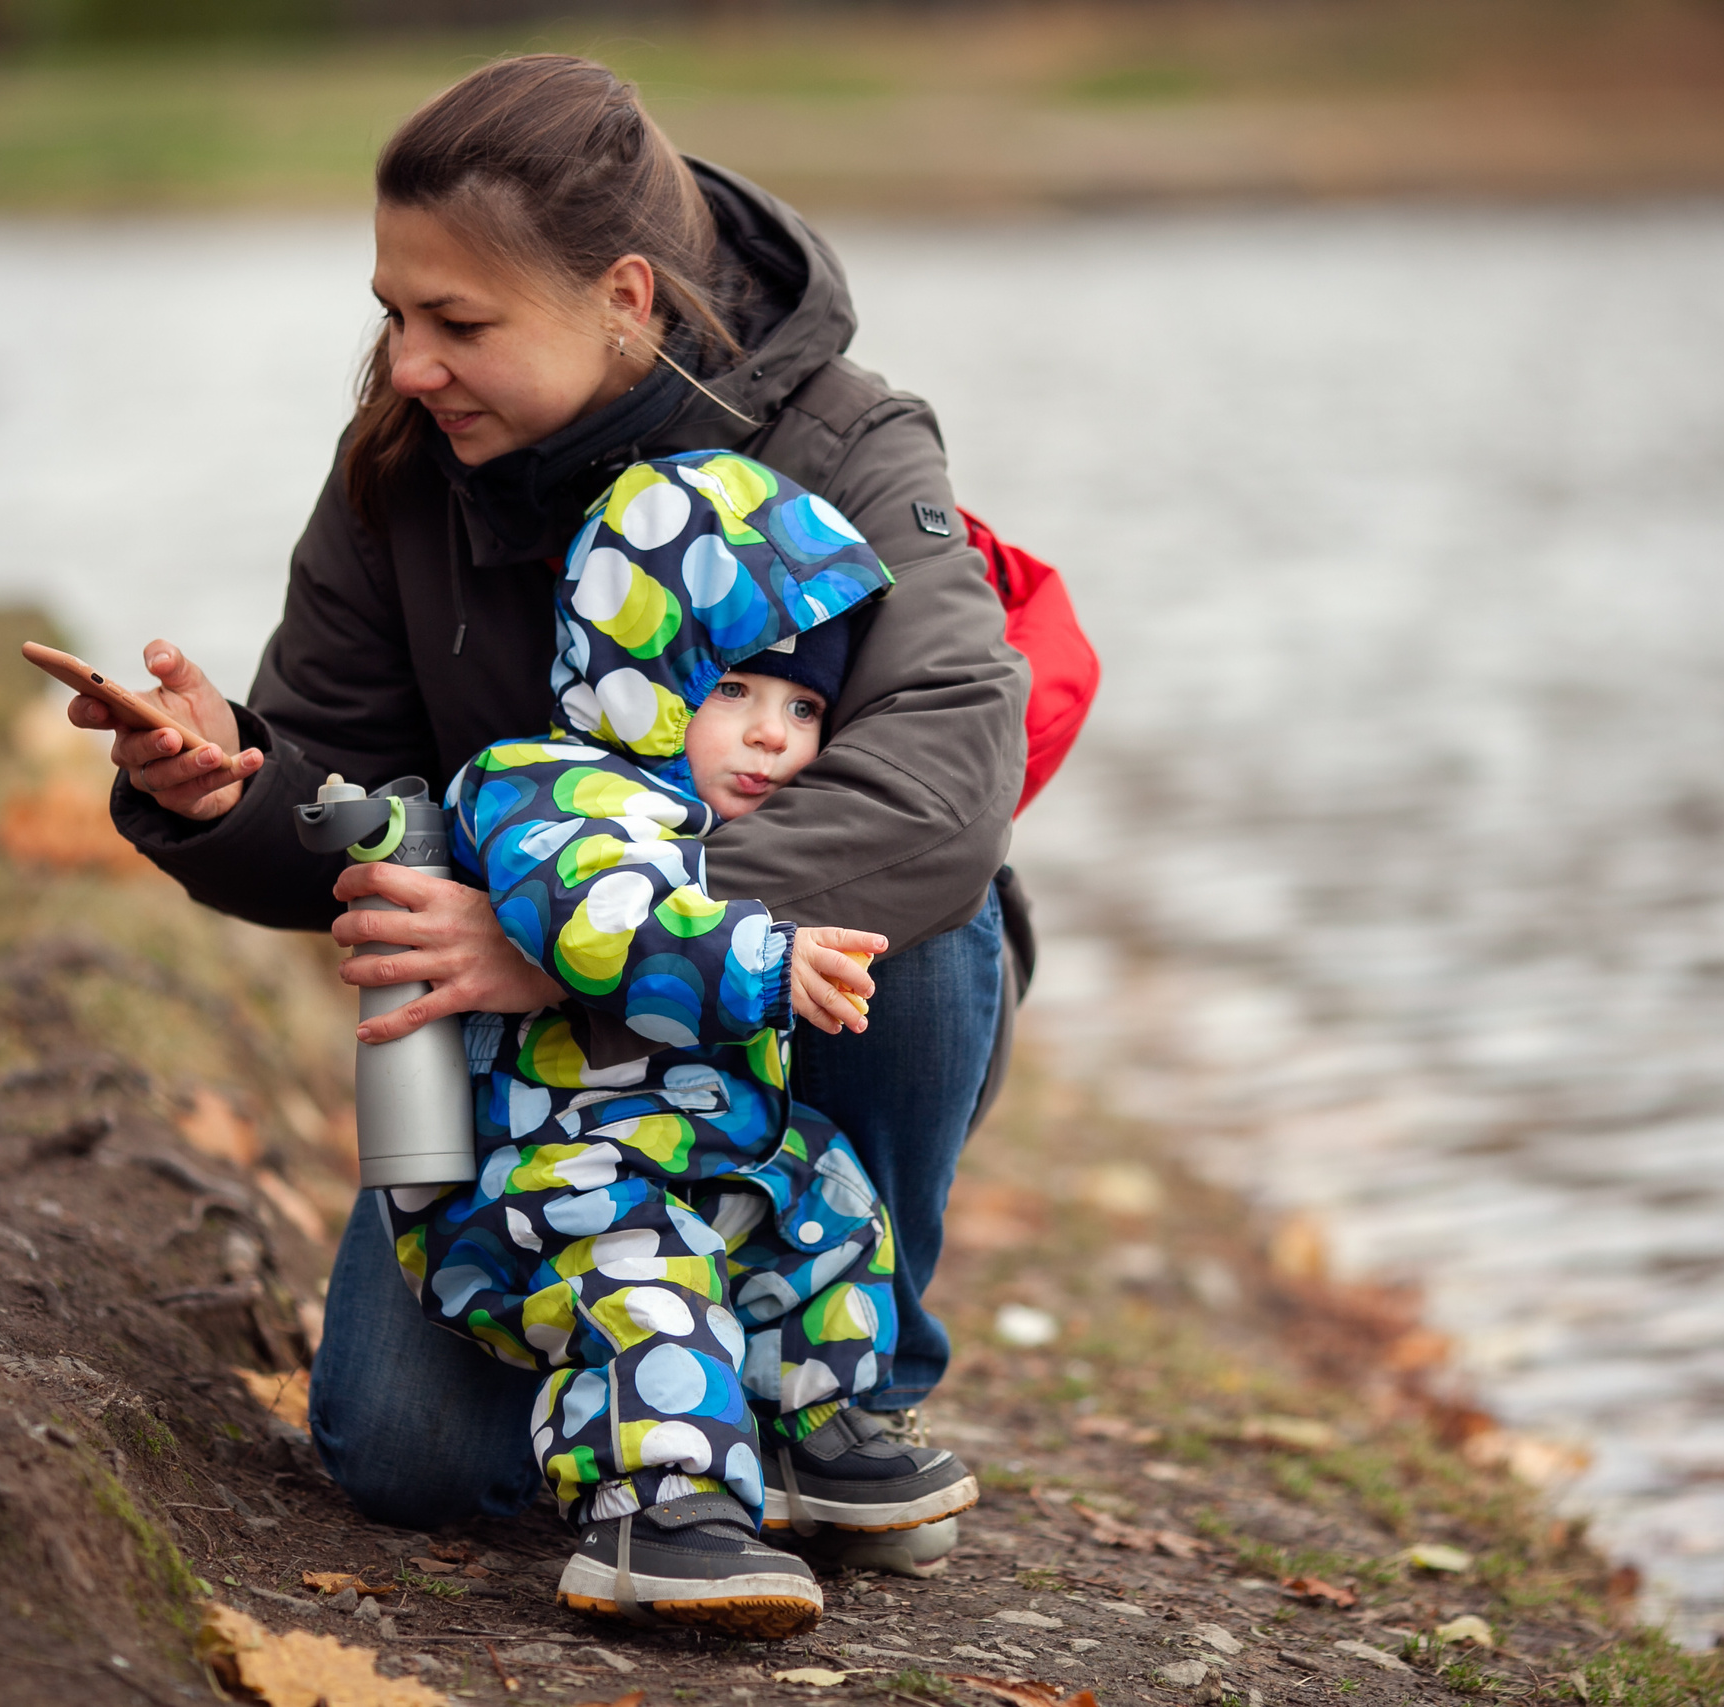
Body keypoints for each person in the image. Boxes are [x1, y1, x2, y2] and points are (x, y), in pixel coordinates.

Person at [80, 55, 1027, 1560]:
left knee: (929, 904)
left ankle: (836, 1397)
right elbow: (348, 789)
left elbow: (946, 777)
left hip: (780, 1017)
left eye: (458, 323)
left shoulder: (846, 444)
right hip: (547, 1088)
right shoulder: (403, 464)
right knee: (407, 1460)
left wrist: (573, 938)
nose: (409, 366)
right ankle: (671, 1379)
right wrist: (228, 785)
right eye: (393, 312)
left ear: (625, 301)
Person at [390, 452, 977, 1630]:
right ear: (645, 675)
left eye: (802, 709)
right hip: (550, 1178)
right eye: (735, 691)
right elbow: (604, 925)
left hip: (690, 1151)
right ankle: (654, 1513)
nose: (771, 738)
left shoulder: (699, 817)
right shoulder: (543, 789)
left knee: (823, 1203)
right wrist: (760, 960)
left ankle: (809, 1433)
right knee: (647, 1283)